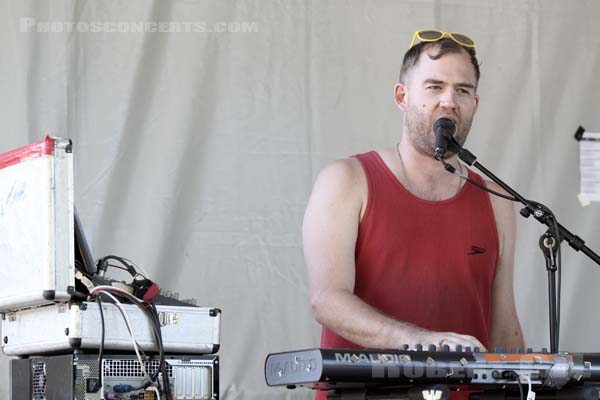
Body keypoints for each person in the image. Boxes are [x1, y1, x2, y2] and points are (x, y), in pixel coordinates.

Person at [303, 30, 524, 398]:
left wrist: (527, 381)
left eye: (463, 90)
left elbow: (503, 324)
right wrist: (417, 341)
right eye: (434, 87)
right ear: (402, 97)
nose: (449, 101)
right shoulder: (346, 180)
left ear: (475, 104)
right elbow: (327, 300)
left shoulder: (497, 199)